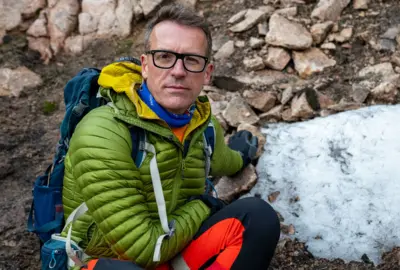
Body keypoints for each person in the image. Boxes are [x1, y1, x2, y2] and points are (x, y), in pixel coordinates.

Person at [62, 3, 280, 270]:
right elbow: (143, 249)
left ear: (207, 73)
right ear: (145, 65)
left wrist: (241, 155)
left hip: (171, 248)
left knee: (259, 218)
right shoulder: (104, 133)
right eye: (164, 57)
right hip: (110, 260)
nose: (178, 71)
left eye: (191, 60)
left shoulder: (203, 125)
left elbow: (225, 161)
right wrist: (204, 206)